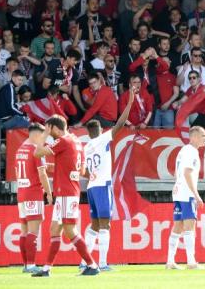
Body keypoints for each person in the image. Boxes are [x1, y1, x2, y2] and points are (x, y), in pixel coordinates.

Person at [32, 116, 99, 277]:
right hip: (68, 190)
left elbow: (37, 153)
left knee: (70, 230)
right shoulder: (76, 141)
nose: (49, 134)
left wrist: (43, 136)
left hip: (66, 192)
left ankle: (92, 265)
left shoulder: (63, 140)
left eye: (49, 130)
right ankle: (47, 269)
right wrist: (58, 167)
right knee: (54, 229)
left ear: (55, 128)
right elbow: (81, 171)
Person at [80, 89, 135, 272]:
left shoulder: (86, 147)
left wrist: (93, 174)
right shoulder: (103, 139)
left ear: (88, 132)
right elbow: (119, 124)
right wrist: (128, 104)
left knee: (94, 225)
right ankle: (102, 263)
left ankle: (84, 261)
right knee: (105, 224)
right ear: (101, 130)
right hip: (103, 185)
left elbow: (84, 172)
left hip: (91, 187)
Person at [166, 126, 205, 270]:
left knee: (178, 226)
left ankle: (170, 261)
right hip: (187, 193)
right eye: (202, 135)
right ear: (194, 137)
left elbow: (177, 172)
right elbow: (187, 173)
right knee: (190, 227)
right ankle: (191, 262)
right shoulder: (192, 152)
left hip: (177, 191)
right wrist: (196, 195)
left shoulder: (183, 150)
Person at [15, 123, 53, 273]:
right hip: (33, 193)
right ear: (37, 135)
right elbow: (42, 174)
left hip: (21, 194)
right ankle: (31, 265)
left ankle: (26, 264)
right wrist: (49, 192)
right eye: (43, 136)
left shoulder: (20, 150)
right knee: (33, 232)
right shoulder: (36, 151)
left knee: (24, 231)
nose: (44, 139)